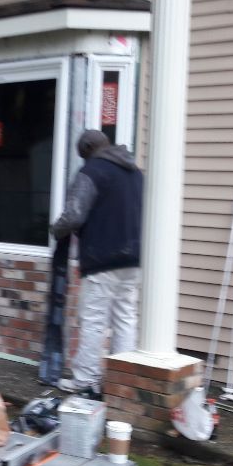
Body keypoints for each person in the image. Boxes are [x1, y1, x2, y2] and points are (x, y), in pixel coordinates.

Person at [50, 129, 143, 395]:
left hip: (102, 258)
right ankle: (120, 382)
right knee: (125, 317)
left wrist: (56, 230)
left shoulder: (92, 172)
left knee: (93, 320)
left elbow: (74, 215)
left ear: (88, 149)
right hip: (134, 257)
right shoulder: (135, 172)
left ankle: (85, 382)